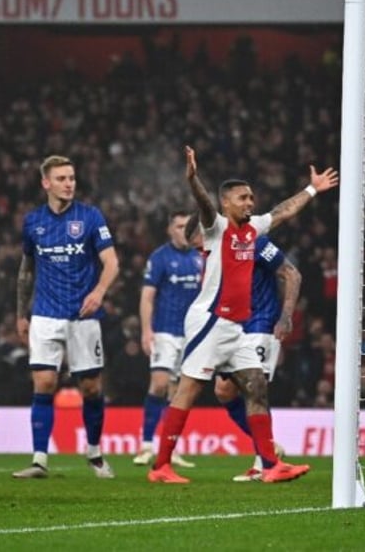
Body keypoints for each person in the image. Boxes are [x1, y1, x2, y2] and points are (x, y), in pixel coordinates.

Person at [148, 146, 337, 483]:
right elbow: (205, 204)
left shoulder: (254, 230)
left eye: (251, 198)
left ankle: (270, 465)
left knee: (256, 386)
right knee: (189, 390)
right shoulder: (216, 227)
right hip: (210, 319)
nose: (250, 203)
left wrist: (311, 189)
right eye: (243, 198)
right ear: (227, 203)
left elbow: (282, 211)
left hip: (236, 326)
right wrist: (193, 179)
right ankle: (161, 465)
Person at [14, 155, 120, 479]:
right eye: (61, 178)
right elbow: (26, 270)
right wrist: (21, 313)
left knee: (90, 388)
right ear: (46, 183)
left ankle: (94, 453)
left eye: (71, 177)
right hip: (45, 314)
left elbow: (112, 262)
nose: (69, 183)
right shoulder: (33, 222)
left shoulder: (89, 217)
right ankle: (39, 460)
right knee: (44, 382)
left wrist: (99, 291)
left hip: (82, 316)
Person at [183, 213, 302, 481]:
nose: (201, 252)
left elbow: (292, 274)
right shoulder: (217, 255)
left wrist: (285, 317)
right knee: (224, 391)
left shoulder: (254, 242)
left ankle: (264, 462)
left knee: (254, 390)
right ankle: (268, 449)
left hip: (261, 322)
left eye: (199, 245)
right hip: (233, 326)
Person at [133, 210, 202, 468]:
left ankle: (170, 449)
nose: (183, 230)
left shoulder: (200, 257)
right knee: (160, 384)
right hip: (164, 331)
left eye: (187, 226)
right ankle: (146, 444)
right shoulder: (160, 257)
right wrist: (145, 330)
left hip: (192, 334)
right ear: (169, 229)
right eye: (179, 226)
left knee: (178, 393)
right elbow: (147, 296)